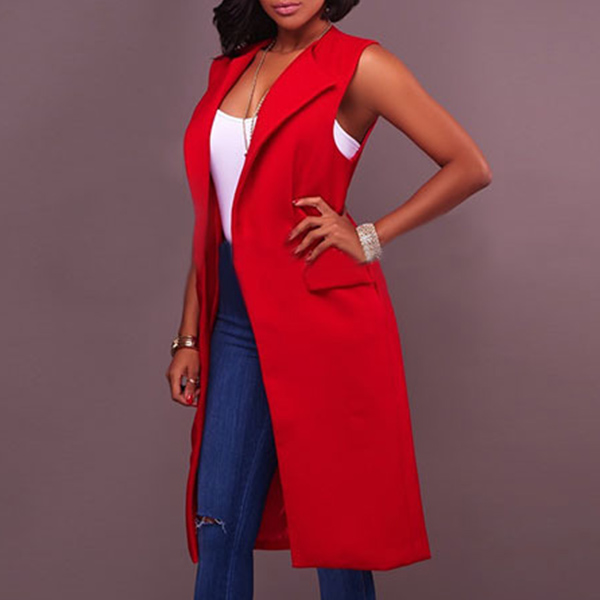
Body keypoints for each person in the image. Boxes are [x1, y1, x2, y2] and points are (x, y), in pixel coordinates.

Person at [166, 1, 492, 598]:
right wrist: (189, 334)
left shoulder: (360, 64)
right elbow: (213, 219)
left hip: (323, 322)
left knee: (339, 538)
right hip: (235, 323)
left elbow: (468, 165)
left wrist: (369, 236)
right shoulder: (233, 68)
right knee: (218, 524)